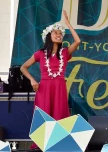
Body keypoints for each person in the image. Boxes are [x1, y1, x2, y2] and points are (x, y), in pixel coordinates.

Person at [20, 10, 81, 151]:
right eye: (56, 33)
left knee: (60, 113)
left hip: (59, 86)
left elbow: (77, 41)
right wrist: (32, 80)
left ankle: (59, 142)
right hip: (45, 87)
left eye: (60, 34)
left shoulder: (65, 52)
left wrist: (68, 24)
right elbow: (23, 67)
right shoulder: (40, 54)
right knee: (44, 113)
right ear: (48, 36)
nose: (59, 35)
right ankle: (42, 143)